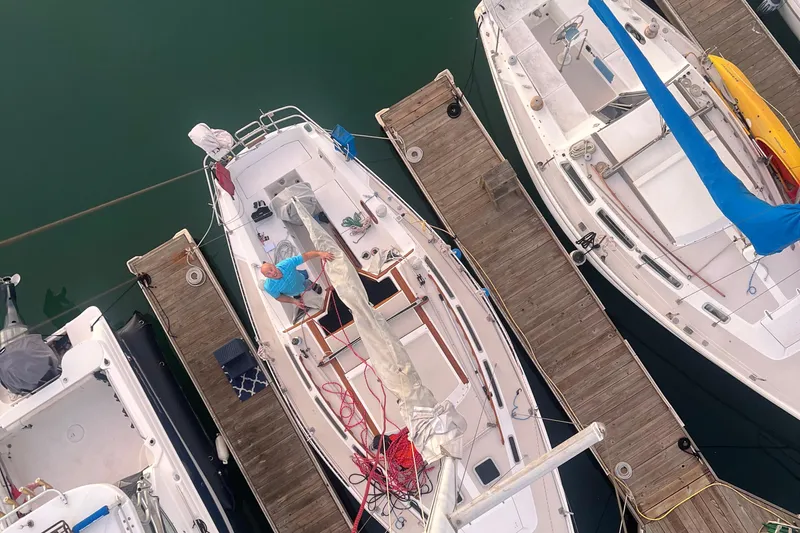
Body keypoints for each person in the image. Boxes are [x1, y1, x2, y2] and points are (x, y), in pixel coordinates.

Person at [261, 250, 334, 309]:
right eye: (268, 274)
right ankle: (329, 307)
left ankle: (310, 283)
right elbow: (278, 297)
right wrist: (294, 301)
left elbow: (306, 256)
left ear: (273, 265)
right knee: (319, 304)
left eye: (271, 269)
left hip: (302, 281)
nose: (272, 273)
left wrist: (319, 253)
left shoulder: (287, 264)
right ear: (266, 277)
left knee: (306, 282)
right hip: (295, 292)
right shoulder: (269, 287)